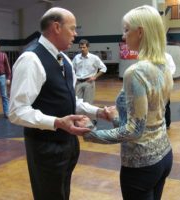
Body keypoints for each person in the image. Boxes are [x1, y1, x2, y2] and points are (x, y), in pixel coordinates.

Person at [8, 7, 107, 200]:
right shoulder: (31, 60)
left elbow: (70, 100)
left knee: (62, 193)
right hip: (45, 147)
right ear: (56, 27)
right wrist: (56, 122)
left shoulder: (66, 61)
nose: (76, 34)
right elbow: (16, 111)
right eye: (72, 28)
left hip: (68, 144)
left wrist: (99, 112)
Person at [81, 5, 174, 200]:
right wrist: (116, 118)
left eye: (126, 30)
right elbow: (148, 121)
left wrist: (90, 134)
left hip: (141, 165)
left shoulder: (136, 72)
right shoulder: (163, 66)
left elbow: (134, 131)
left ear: (140, 32)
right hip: (164, 155)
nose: (123, 36)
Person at [72, 39, 107, 104]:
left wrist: (95, 77)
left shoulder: (94, 58)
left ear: (88, 47)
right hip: (78, 83)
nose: (82, 49)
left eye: (84, 47)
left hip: (89, 82)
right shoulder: (76, 57)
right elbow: (72, 69)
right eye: (81, 47)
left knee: (88, 104)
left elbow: (104, 68)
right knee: (77, 103)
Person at [165, 52, 176, 129]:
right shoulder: (147, 55)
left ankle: (167, 123)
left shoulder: (167, 56)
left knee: (166, 104)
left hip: (165, 83)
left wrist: (166, 76)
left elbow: (172, 68)